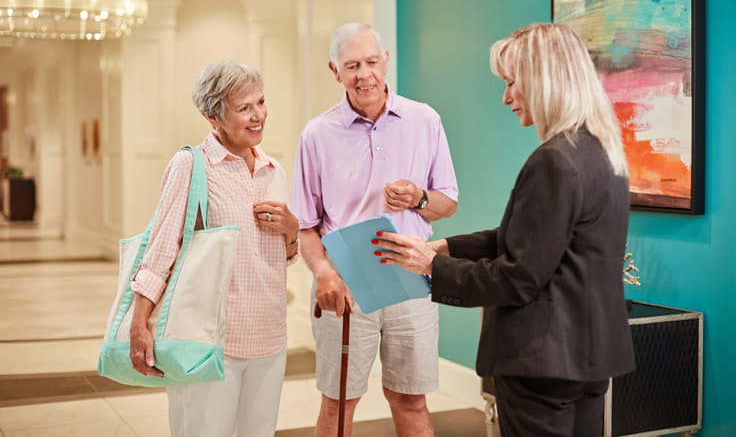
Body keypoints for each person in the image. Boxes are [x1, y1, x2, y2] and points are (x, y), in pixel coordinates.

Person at [375, 23, 636, 437]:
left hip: (541, 360)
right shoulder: (603, 151)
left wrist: (432, 267)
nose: (506, 97)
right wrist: (446, 247)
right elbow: (538, 236)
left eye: (513, 83)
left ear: (543, 81)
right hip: (589, 356)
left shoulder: (552, 160)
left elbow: (519, 277)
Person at [291, 22, 459, 436]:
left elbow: (447, 203)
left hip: (411, 280)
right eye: (352, 65)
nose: (363, 74)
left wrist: (419, 198)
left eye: (370, 62)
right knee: (339, 403)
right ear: (335, 71)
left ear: (386, 62)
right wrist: (325, 274)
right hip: (344, 286)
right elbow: (305, 226)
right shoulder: (316, 134)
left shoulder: (425, 120)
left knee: (411, 399)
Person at [128, 60, 300, 437]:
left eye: (261, 102)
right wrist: (139, 322)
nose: (258, 116)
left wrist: (292, 230)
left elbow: (281, 256)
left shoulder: (274, 170)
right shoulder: (191, 165)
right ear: (213, 115)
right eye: (243, 108)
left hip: (269, 335)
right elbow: (160, 249)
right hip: (209, 339)